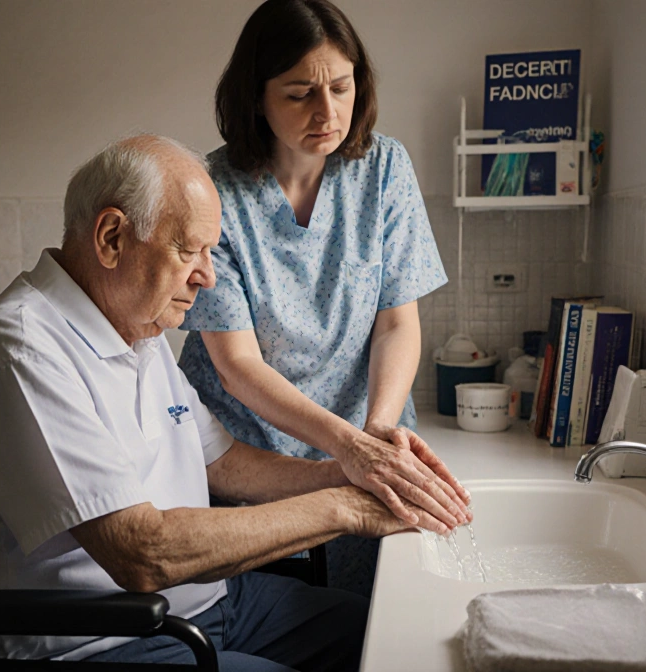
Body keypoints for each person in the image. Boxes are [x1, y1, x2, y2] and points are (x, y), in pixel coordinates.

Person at [0, 135, 434, 671]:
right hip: (96, 642)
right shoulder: (21, 350)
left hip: (202, 606)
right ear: (112, 237)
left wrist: (352, 476)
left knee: (395, 639)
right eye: (190, 250)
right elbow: (142, 552)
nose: (207, 276)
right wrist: (344, 510)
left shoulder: (137, 333)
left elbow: (225, 463)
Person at [178, 0, 468, 596]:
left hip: (368, 437)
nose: (327, 111)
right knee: (277, 619)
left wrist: (378, 434)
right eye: (299, 93)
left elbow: (396, 325)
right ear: (255, 97)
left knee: (370, 613)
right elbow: (237, 365)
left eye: (341, 87)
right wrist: (348, 446)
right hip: (248, 453)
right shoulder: (215, 191)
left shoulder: (384, 167)